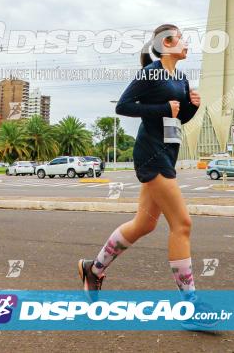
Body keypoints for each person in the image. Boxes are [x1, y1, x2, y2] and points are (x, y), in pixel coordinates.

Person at [76, 24, 219, 330]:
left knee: (145, 224)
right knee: (182, 224)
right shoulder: (151, 74)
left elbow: (177, 118)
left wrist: (192, 107)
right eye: (179, 38)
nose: (185, 42)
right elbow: (124, 106)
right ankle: (190, 308)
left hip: (169, 152)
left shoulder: (180, 77)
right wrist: (161, 107)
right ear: (165, 44)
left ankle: (93, 269)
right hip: (151, 154)